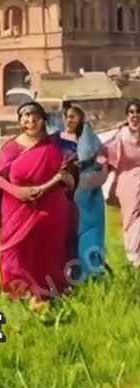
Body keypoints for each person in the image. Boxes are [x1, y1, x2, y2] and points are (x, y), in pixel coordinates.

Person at [0, 101, 78, 302]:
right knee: (16, 252)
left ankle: (48, 294)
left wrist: (53, 184)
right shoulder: (11, 148)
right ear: (20, 121)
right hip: (17, 207)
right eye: (25, 117)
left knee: (47, 251)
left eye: (34, 117)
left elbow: (70, 179)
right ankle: (18, 293)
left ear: (43, 120)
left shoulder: (57, 146)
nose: (30, 121)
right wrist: (17, 191)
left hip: (50, 207)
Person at [60, 102, 110, 279]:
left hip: (89, 193)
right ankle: (72, 275)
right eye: (67, 116)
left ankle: (92, 273)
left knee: (91, 232)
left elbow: (101, 160)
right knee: (71, 232)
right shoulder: (60, 140)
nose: (69, 120)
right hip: (68, 192)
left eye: (73, 116)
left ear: (81, 118)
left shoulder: (90, 139)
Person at [104, 98, 140, 268]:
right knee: (131, 217)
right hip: (127, 181)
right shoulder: (121, 135)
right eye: (131, 112)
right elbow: (107, 154)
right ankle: (133, 256)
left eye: (138, 112)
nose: (135, 116)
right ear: (127, 115)